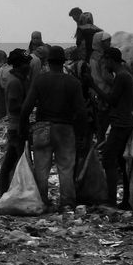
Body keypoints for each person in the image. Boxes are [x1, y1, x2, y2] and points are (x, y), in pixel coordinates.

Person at [20, 46, 87, 211]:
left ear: (48, 62)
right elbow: (81, 112)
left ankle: (42, 201)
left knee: (42, 167)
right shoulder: (73, 82)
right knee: (65, 167)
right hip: (65, 128)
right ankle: (67, 202)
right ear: (63, 63)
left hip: (43, 127)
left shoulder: (40, 80)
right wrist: (82, 135)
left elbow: (26, 107)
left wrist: (24, 127)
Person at [99, 48, 133, 208]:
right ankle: (126, 200)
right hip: (124, 121)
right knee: (121, 161)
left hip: (120, 123)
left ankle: (111, 200)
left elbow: (112, 100)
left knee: (108, 158)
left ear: (111, 60)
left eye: (105, 61)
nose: (104, 64)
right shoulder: (125, 75)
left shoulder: (121, 77)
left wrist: (93, 85)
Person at [0, 49, 32, 195]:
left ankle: (6, 193)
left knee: (11, 162)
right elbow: (13, 106)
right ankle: (17, 193)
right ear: (19, 65)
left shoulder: (19, 80)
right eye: (26, 64)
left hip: (16, 126)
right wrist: (29, 106)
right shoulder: (15, 83)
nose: (29, 66)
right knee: (20, 163)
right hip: (17, 127)